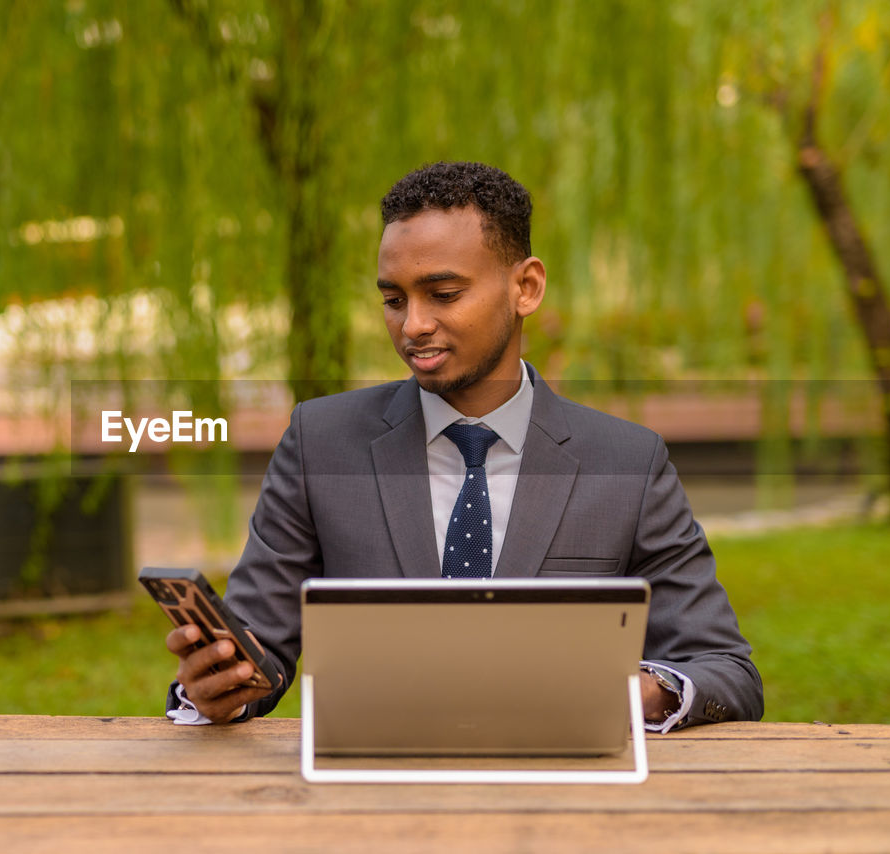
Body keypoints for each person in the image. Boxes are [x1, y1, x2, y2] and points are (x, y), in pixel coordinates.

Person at [164, 161, 763, 730]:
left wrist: (634, 691)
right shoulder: (320, 443)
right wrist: (221, 687)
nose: (412, 325)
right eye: (393, 300)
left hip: (558, 806)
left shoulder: (628, 462)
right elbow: (257, 645)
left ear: (525, 287)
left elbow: (726, 671)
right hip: (369, 802)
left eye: (443, 294)